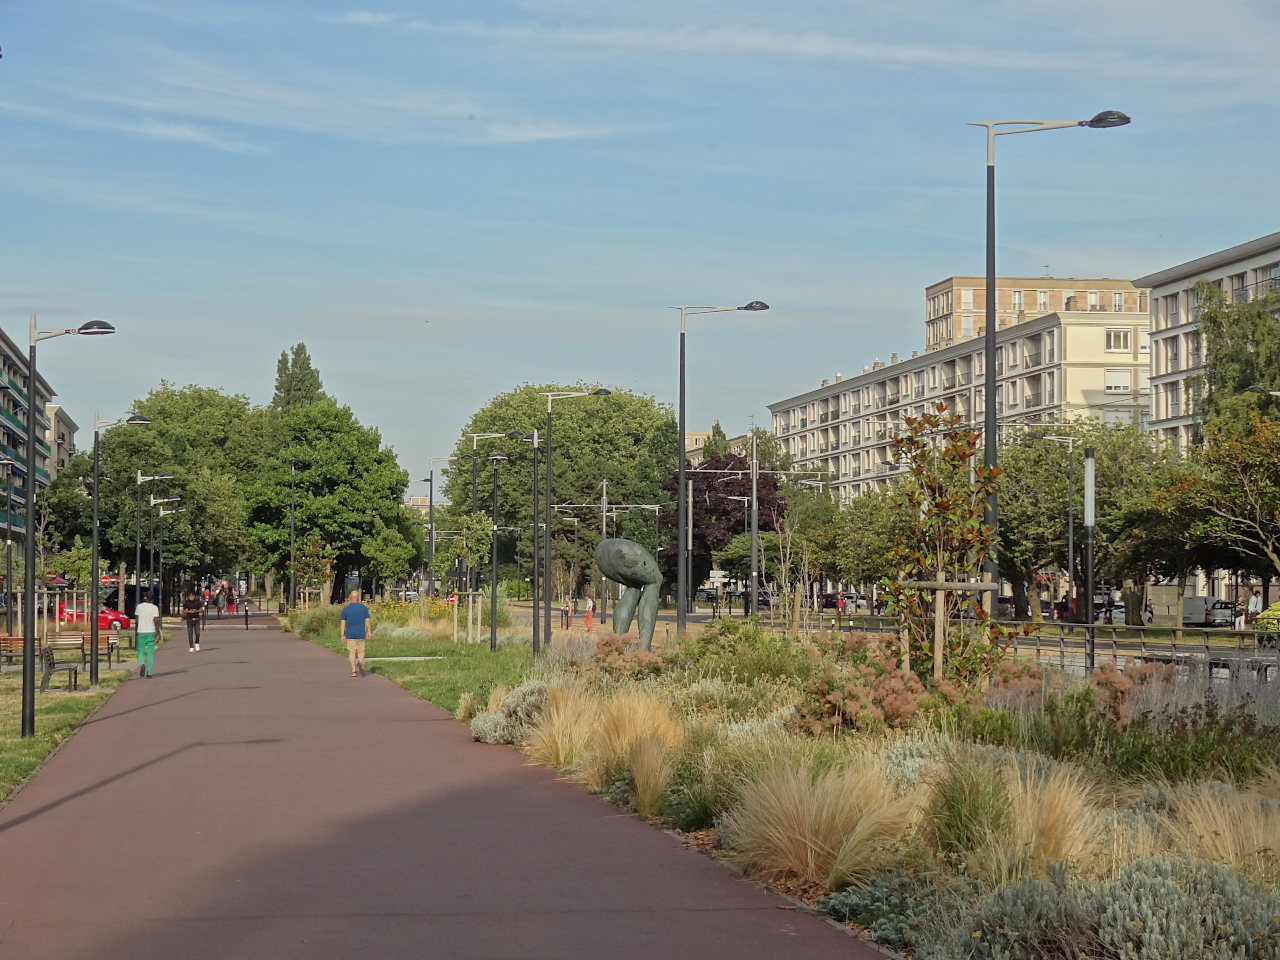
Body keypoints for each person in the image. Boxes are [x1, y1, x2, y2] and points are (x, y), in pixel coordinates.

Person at [339, 589, 371, 677]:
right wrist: (369, 632)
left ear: (350, 597)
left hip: (350, 634)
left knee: (352, 652)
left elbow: (343, 622)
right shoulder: (364, 608)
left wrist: (342, 634)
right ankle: (360, 663)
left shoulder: (346, 609)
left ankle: (353, 671)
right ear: (358, 597)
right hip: (361, 633)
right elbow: (367, 620)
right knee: (361, 651)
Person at [135, 591, 161, 679]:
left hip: (141, 631)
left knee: (141, 650)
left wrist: (137, 630)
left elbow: (137, 620)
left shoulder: (139, 607)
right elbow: (156, 621)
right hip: (151, 631)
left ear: (145, 598)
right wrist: (158, 633)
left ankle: (142, 663)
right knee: (150, 652)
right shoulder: (155, 608)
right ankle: (149, 673)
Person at [183, 587, 203, 652]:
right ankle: (191, 646)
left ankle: (197, 642)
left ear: (194, 596)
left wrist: (196, 611)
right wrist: (188, 611)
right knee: (190, 633)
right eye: (190, 596)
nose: (191, 597)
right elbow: (183, 610)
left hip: (196, 619)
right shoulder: (186, 602)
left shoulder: (198, 602)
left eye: (192, 596)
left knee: (197, 632)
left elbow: (201, 609)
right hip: (189, 619)